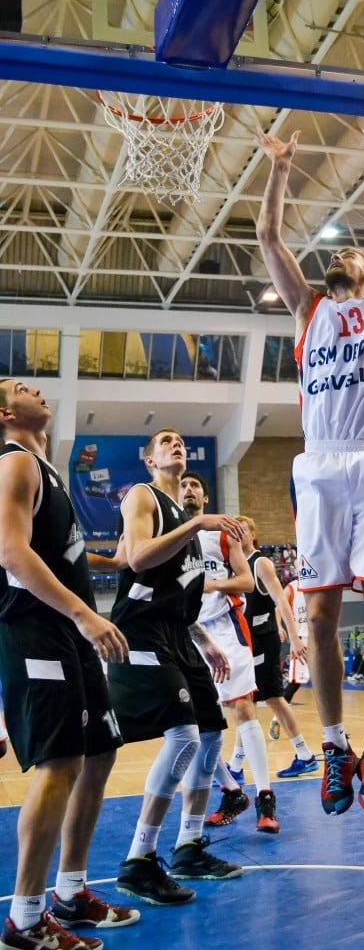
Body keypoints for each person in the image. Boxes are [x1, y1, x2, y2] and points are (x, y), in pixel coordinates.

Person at [256, 117, 364, 816]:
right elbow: (268, 238)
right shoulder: (308, 308)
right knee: (319, 616)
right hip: (319, 466)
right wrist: (280, 169)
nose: (344, 254)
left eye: (355, 250)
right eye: (341, 250)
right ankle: (333, 747)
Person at [0, 378, 139, 950]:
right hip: (39, 632)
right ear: (6, 411)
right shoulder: (13, 465)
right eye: (18, 385)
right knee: (57, 764)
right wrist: (86, 615)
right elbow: (11, 553)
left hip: (69, 637)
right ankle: (25, 921)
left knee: (99, 753)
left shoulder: (46, 468)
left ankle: (70, 891)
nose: (34, 386)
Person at [107, 429, 246, 906]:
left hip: (178, 636)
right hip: (140, 632)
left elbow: (180, 599)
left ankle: (188, 845)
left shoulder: (185, 523)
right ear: (150, 460)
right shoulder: (144, 497)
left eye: (181, 440)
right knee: (183, 737)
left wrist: (206, 642)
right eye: (166, 440)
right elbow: (141, 558)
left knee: (211, 733)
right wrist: (198, 523)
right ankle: (138, 860)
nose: (177, 443)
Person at [179, 471, 279, 833]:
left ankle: (265, 798)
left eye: (195, 486)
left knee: (242, 708)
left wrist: (212, 584)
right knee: (191, 725)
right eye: (183, 485)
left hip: (225, 628)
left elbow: (246, 581)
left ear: (205, 499)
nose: (188, 489)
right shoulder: (169, 537)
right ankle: (232, 790)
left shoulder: (220, 534)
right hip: (188, 635)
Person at [227, 517, 318, 783]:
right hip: (249, 641)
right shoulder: (237, 568)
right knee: (253, 701)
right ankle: (301, 756)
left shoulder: (261, 563)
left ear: (253, 534)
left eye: (243, 530)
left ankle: (301, 756)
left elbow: (281, 601)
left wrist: (294, 638)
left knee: (267, 698)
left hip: (264, 640)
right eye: (235, 531)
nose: (239, 534)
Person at [269, 576, 312, 741]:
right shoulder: (292, 588)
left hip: (318, 638)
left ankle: (334, 729)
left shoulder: (316, 583)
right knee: (295, 683)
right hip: (301, 639)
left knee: (329, 681)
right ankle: (276, 720)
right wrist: (279, 626)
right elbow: (278, 608)